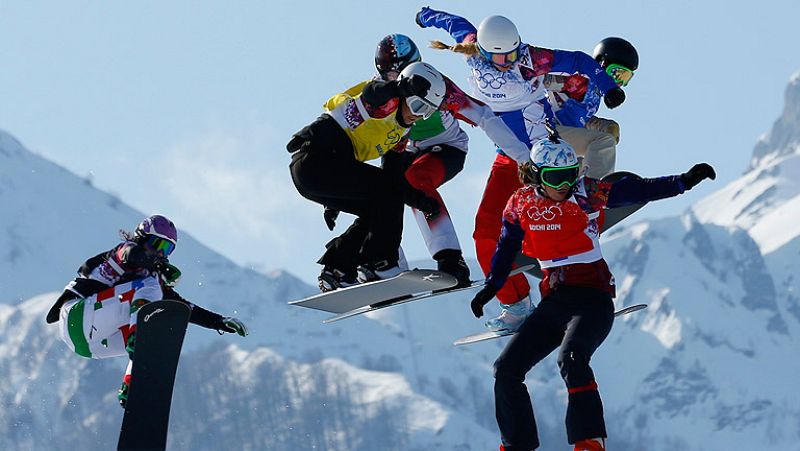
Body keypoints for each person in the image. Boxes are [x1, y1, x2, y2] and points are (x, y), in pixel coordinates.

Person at [468, 137, 716, 451]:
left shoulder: (586, 194)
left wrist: (684, 181)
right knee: (505, 370)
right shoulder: (520, 203)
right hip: (554, 303)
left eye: (571, 174)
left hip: (592, 299)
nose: (565, 184)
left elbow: (638, 191)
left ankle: (590, 442)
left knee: (571, 359)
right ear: (536, 176)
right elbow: (505, 249)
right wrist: (492, 286)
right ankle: (517, 445)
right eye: (556, 178)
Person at [416, 8, 627, 330]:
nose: (507, 62)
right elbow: (456, 25)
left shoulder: (533, 58)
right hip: (509, 159)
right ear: (483, 51)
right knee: (484, 235)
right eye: (499, 58)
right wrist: (427, 15)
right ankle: (516, 306)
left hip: (544, 151)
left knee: (597, 146)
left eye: (512, 54)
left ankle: (587, 200)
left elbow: (582, 61)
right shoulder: (472, 48)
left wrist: (608, 86)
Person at [289, 60, 532, 291]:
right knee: (388, 194)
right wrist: (397, 87)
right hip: (315, 161)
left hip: (321, 172)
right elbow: (370, 94)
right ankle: (381, 263)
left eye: (427, 112)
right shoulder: (384, 103)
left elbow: (392, 178)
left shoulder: (402, 127)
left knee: (378, 207)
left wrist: (417, 199)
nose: (418, 116)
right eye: (417, 107)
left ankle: (339, 268)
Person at [46, 214, 248, 407]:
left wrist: (218, 321)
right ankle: (140, 338)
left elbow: (182, 308)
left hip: (89, 345)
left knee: (166, 320)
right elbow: (133, 255)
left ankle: (132, 386)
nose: (161, 253)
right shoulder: (126, 251)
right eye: (157, 244)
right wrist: (158, 266)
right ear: (142, 238)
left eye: (167, 249)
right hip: (76, 315)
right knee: (151, 289)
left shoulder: (152, 277)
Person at [545, 36, 639, 178]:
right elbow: (542, 81)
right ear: (602, 64)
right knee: (603, 142)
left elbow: (581, 119)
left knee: (582, 164)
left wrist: (605, 126)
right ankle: (595, 187)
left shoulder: (595, 95)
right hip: (546, 132)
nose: (618, 81)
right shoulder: (581, 82)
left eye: (625, 77)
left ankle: (577, 194)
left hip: (560, 138)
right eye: (616, 73)